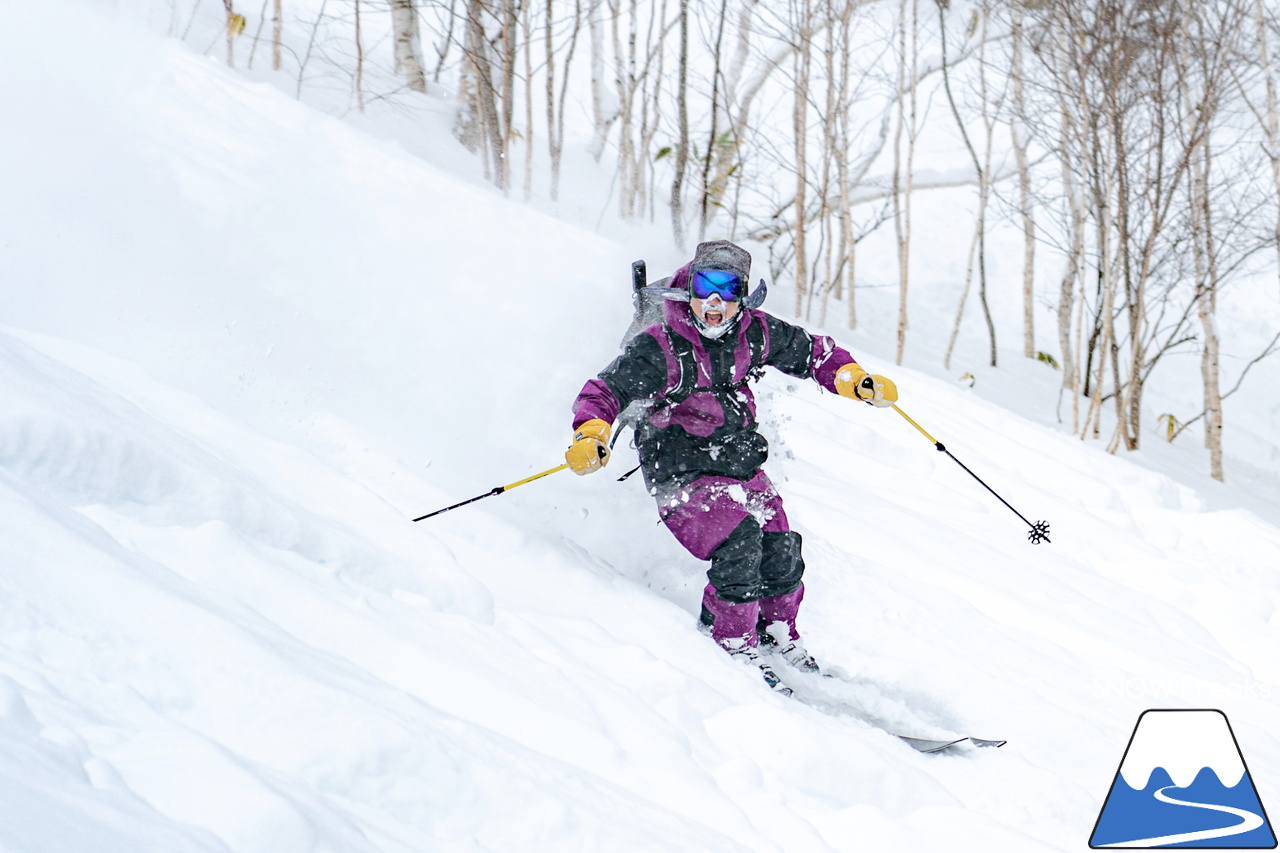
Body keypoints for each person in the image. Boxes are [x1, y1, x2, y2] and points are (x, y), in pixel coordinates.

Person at [565, 240, 897, 692]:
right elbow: (604, 391)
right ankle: (732, 642)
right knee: (739, 545)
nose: (715, 302)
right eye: (705, 287)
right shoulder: (660, 347)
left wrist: (850, 377)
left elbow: (811, 353)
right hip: (679, 469)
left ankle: (775, 634)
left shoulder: (753, 332)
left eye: (728, 289)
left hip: (737, 459)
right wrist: (591, 433)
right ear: (688, 290)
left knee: (780, 548)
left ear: (744, 295)